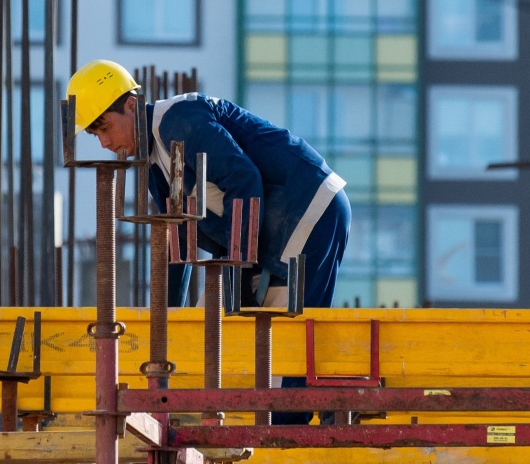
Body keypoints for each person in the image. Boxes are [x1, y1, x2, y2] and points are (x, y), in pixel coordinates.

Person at [68, 59, 350, 310]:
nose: (104, 143)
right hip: (265, 234)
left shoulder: (177, 122)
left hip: (310, 207)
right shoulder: (155, 166)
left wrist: (237, 274)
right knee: (212, 344)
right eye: (95, 135)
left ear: (131, 105)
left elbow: (243, 178)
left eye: (105, 127)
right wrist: (168, 317)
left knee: (295, 348)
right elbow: (178, 237)